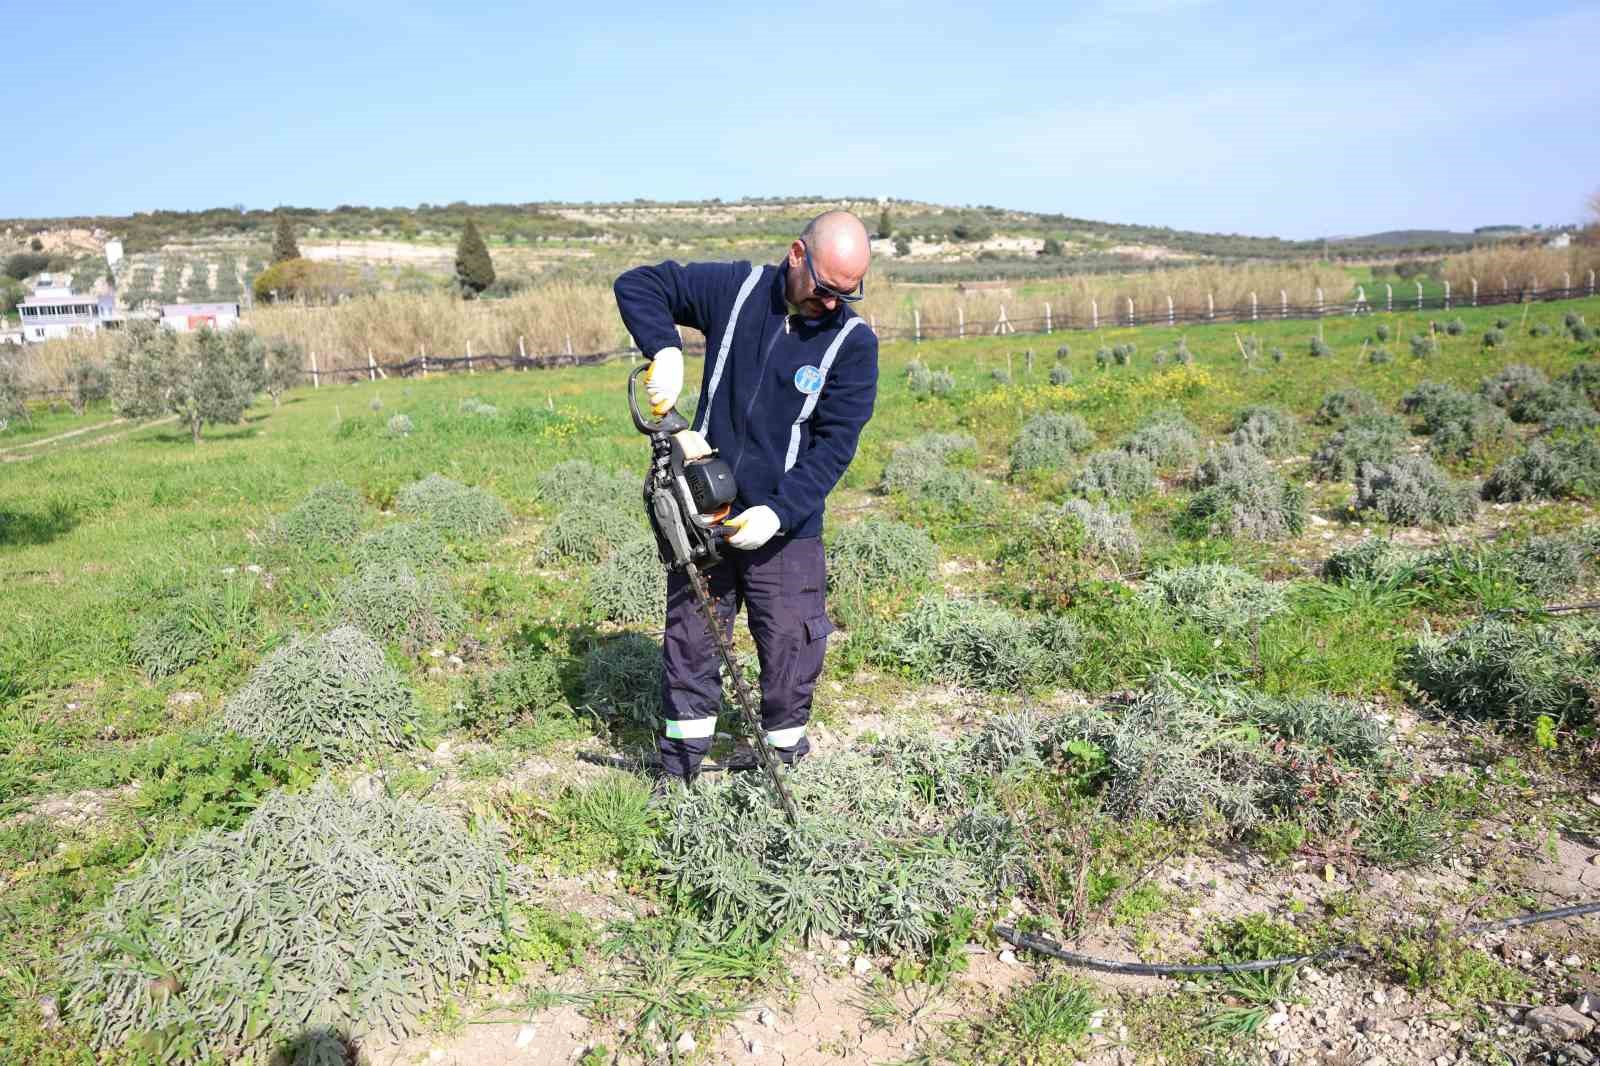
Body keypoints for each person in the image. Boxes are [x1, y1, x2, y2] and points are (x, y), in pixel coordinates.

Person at [613, 210, 879, 785]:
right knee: (692, 640)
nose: (833, 304)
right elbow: (638, 283)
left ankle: (780, 764)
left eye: (847, 292)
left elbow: (835, 447)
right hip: (702, 512)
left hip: (784, 525)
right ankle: (679, 772)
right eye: (826, 289)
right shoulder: (736, 290)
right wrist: (665, 349)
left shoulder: (853, 344)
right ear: (796, 255)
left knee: (790, 642)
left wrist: (779, 512)